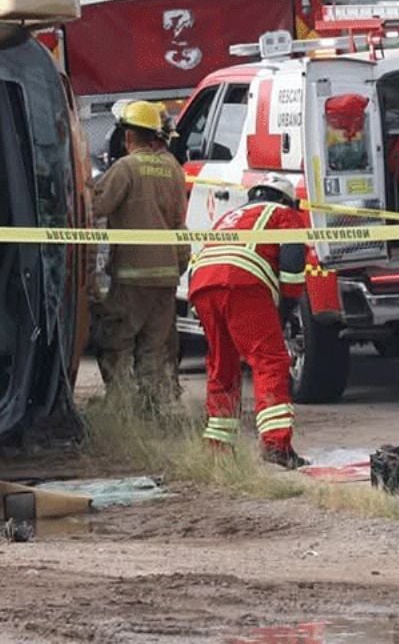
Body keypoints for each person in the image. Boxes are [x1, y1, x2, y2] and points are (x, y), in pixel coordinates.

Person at [188, 173, 309, 469]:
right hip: (242, 284)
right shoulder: (285, 215)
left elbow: (203, 258)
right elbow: (293, 269)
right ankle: (275, 444)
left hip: (202, 287)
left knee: (222, 364)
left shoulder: (231, 216)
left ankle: (218, 447)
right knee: (271, 361)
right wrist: (285, 307)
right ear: (285, 199)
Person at [91, 100, 189, 408]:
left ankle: (122, 410)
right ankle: (155, 411)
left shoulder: (126, 168)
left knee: (116, 341)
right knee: (154, 348)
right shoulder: (173, 168)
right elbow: (178, 221)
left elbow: (96, 205)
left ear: (128, 136)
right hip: (167, 275)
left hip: (133, 276)